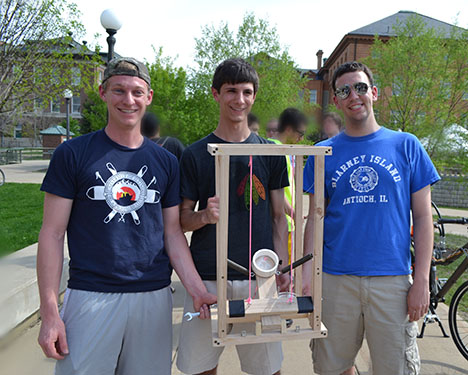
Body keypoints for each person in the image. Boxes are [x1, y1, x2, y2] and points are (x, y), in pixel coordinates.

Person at [36, 57, 216, 375]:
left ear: (148, 98)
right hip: (90, 295)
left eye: (136, 92)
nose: (128, 100)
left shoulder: (166, 162)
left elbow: (172, 233)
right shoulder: (72, 154)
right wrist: (50, 312)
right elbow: (52, 233)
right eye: (119, 90)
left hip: (153, 295)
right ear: (103, 92)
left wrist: (197, 289)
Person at [302, 61, 439, 375]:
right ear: (336, 100)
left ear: (374, 93)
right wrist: (307, 277)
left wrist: (421, 281)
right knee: (331, 367)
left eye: (361, 87)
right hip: (336, 280)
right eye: (345, 90)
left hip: (391, 281)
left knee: (395, 369)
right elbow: (315, 218)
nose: (354, 95)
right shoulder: (322, 152)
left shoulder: (407, 145)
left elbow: (422, 217)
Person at [176, 58, 290, 375]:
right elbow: (182, 220)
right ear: (216, 94)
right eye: (230, 91)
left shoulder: (271, 152)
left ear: (254, 96)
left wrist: (281, 266)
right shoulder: (195, 154)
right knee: (200, 369)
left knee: (267, 370)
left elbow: (280, 218)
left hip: (260, 277)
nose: (238, 100)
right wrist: (204, 216)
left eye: (246, 92)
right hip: (208, 279)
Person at [269, 107, 307, 260]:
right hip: (284, 222)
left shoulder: (274, 147)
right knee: (285, 272)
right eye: (301, 133)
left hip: (278, 220)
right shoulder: (278, 151)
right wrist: (293, 213)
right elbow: (276, 189)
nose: (301, 138)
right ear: (290, 129)